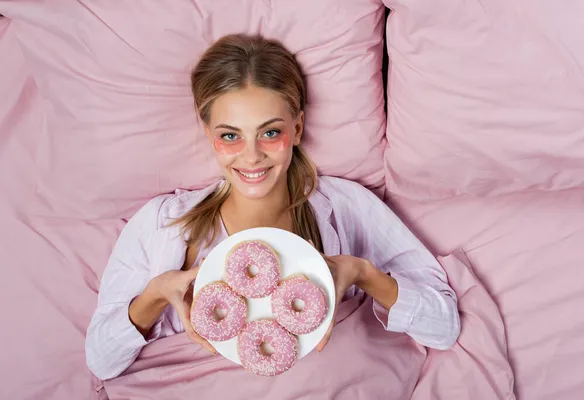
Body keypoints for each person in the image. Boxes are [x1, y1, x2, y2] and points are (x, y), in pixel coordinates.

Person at [85, 34, 460, 381]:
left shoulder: (346, 207)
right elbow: (101, 361)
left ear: (297, 130)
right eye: (230, 136)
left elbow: (443, 328)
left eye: (270, 132)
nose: (251, 156)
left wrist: (363, 273)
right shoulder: (164, 222)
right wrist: (153, 296)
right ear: (209, 136)